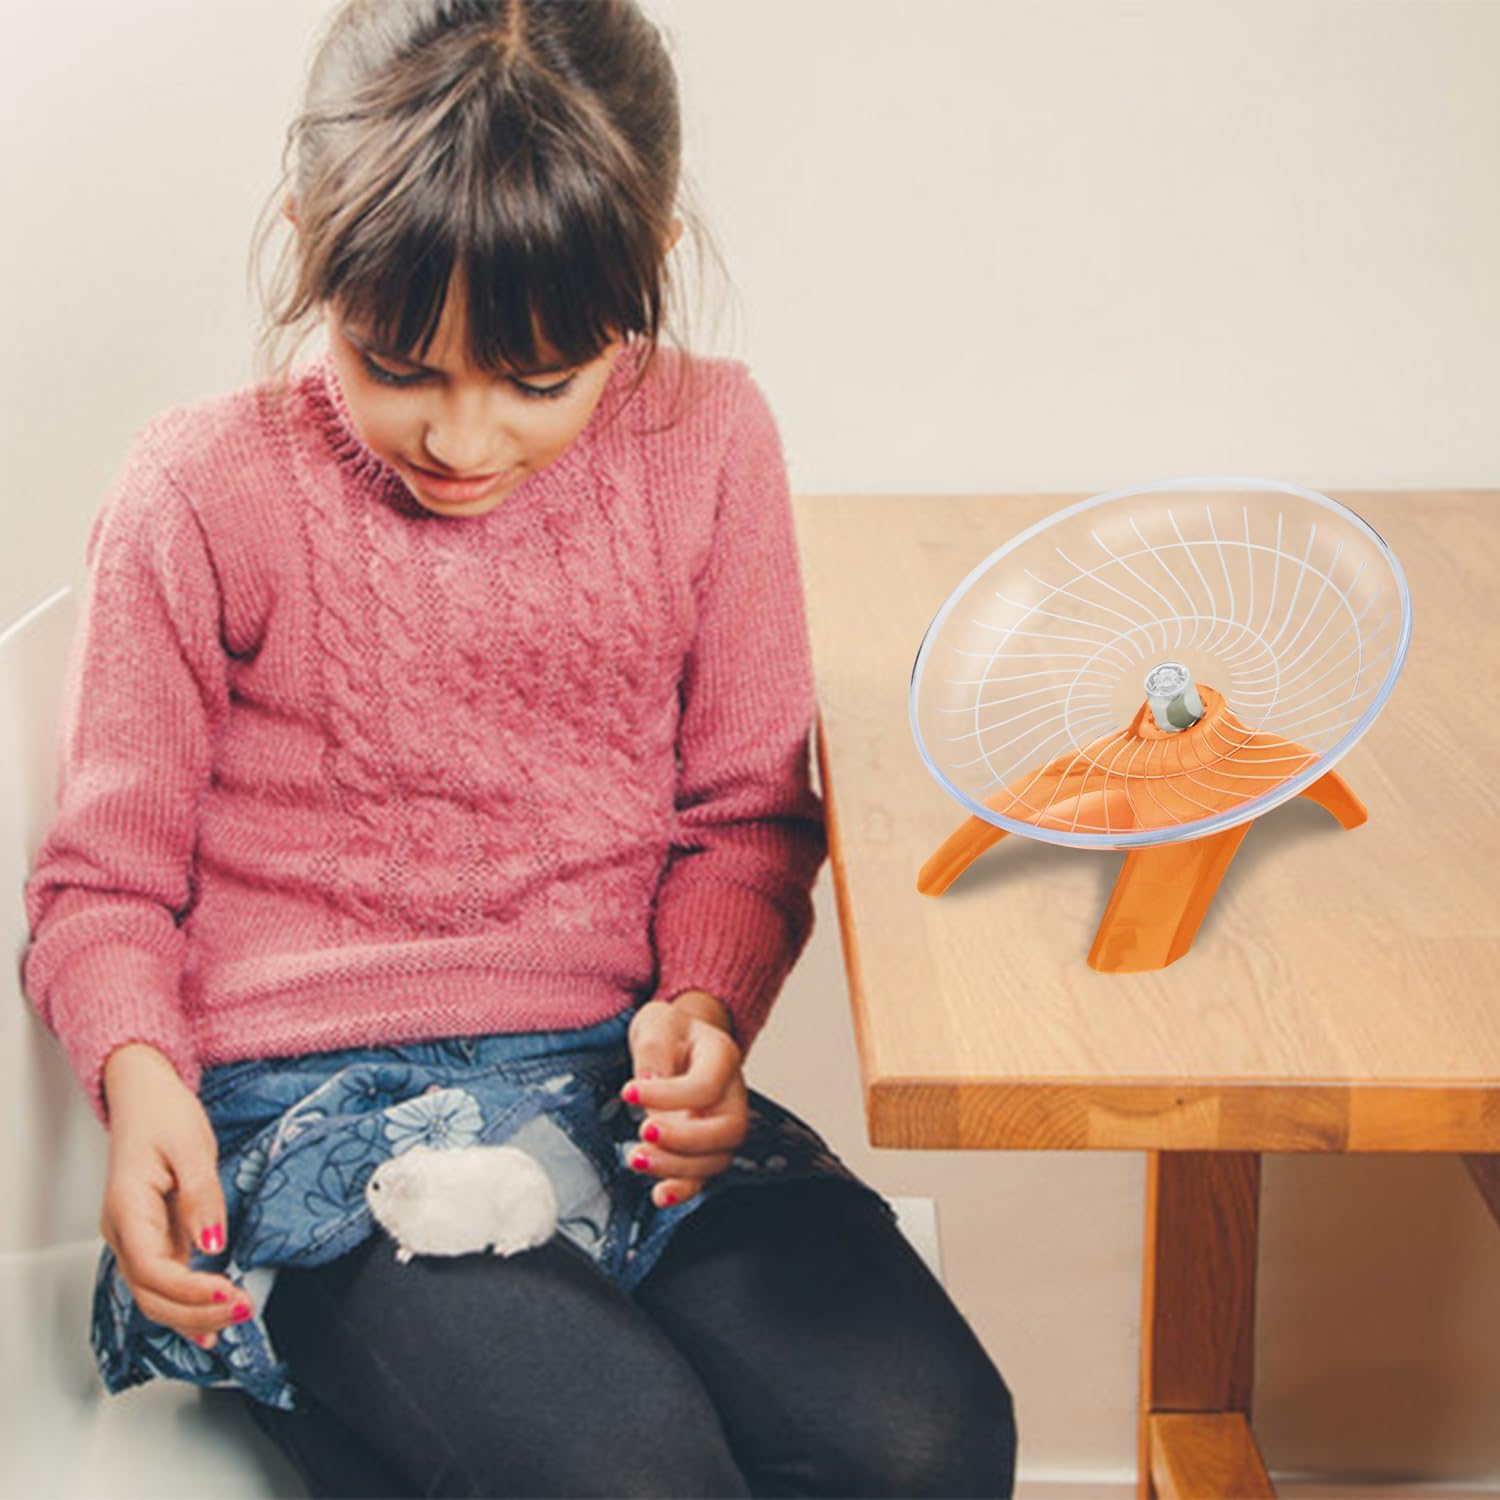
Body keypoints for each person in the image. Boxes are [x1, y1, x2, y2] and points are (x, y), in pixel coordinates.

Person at [22, 2, 1017, 1495]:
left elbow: (744, 818)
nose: (463, 441)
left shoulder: (711, 442)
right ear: (312, 245)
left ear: (641, 271)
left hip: (608, 1085)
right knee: (629, 1472)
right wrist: (143, 1077)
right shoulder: (200, 489)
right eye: (398, 364)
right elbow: (104, 883)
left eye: (537, 381)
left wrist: (706, 1009)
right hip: (315, 1119)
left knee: (930, 1443)